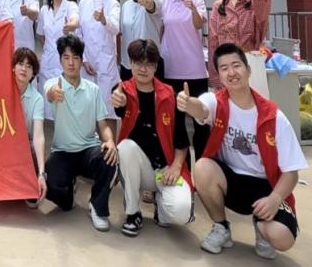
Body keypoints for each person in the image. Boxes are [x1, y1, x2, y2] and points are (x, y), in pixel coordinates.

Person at [178, 43, 306, 259]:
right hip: (230, 181)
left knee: (282, 238)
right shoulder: (216, 102)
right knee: (202, 167)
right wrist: (188, 104)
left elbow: (291, 173)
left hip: (265, 187)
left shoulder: (274, 117)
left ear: (248, 70)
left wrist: (275, 199)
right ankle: (221, 227)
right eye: (224, 68)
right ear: (219, 76)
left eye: (236, 65)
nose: (231, 72)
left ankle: (262, 230)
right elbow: (201, 109)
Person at [110, 39, 192, 237]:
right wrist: (119, 101)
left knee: (180, 213)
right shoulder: (123, 90)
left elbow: (181, 139)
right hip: (140, 169)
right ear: (131, 64)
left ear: (156, 66)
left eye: (148, 64)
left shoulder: (170, 95)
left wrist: (176, 166)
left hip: (165, 169)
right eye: (138, 63)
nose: (143, 69)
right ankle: (133, 213)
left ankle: (160, 206)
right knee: (125, 147)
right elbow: (119, 104)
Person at [44, 35, 119, 231]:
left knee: (110, 157)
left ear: (81, 60)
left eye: (75, 57)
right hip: (62, 151)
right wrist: (54, 93)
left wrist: (110, 141)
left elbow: (103, 125)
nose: (71, 63)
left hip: (88, 149)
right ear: (60, 59)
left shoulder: (93, 89)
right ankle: (69, 194)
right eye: (66, 57)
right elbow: (50, 93)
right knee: (52, 186)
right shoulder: (53, 83)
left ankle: (97, 207)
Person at [138, 0, 209, 157]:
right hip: (171, 69)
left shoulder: (197, 0)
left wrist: (192, 8)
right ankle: (179, 165)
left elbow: (198, 24)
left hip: (195, 70)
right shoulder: (164, 1)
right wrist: (144, 0)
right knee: (175, 122)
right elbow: (152, 7)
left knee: (200, 121)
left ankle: (203, 163)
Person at [208, 0, 271, 90]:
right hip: (225, 68)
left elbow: (264, 7)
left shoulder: (256, 3)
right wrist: (214, 77)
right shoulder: (219, 6)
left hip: (250, 66)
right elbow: (213, 43)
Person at [78, 0, 120, 120]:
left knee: (107, 107)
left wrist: (103, 19)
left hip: (105, 62)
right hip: (87, 61)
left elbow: (115, 29)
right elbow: (79, 33)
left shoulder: (113, 4)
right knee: (87, 106)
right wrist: (84, 59)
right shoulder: (84, 2)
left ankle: (108, 136)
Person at [36, 0, 79, 120]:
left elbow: (75, 20)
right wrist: (49, 49)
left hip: (64, 62)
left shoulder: (71, 5)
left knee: (65, 106)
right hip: (47, 62)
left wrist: (70, 27)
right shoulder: (44, 10)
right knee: (47, 108)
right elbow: (40, 35)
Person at [12, 47, 46, 209]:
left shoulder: (37, 99)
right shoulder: (1, 89)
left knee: (32, 147)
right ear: (13, 67)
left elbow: (38, 136)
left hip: (25, 146)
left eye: (29, 66)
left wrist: (41, 173)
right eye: (20, 64)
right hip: (3, 144)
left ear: (34, 73)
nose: (24, 69)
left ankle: (30, 183)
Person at [119, 0, 162, 81]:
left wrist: (145, 1)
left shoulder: (155, 0)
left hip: (149, 64)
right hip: (128, 64)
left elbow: (151, 6)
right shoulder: (125, 6)